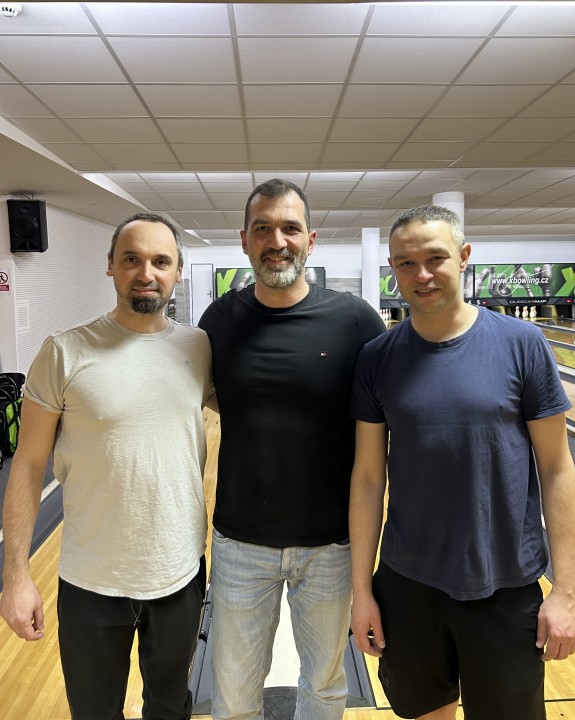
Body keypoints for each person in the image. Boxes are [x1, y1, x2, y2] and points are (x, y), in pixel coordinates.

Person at [349, 204, 575, 720]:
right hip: (408, 582)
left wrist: (567, 591)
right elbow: (367, 478)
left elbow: (557, 469)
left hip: (505, 581)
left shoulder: (523, 343)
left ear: (464, 256)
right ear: (392, 268)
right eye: (406, 263)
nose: (421, 274)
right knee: (425, 712)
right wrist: (361, 590)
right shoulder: (377, 358)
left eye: (435, 258)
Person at [0, 213, 213, 720]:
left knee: (170, 709)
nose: (146, 273)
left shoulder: (198, 347)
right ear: (111, 266)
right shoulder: (63, 351)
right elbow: (27, 464)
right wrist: (15, 576)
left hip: (179, 573)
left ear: (178, 271)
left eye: (161, 261)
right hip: (90, 580)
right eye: (131, 259)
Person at [198, 178, 385, 720]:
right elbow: (208, 396)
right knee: (234, 697)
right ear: (244, 240)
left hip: (331, 546)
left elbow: (387, 413)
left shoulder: (356, 321)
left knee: (324, 686)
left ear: (310, 239)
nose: (276, 241)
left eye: (290, 228)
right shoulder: (218, 321)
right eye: (262, 229)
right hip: (239, 543)